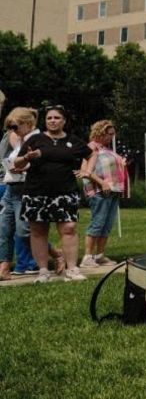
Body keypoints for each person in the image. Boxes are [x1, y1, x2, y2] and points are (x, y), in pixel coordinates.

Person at [12, 104, 92, 283]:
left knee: (69, 228)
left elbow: (90, 154)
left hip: (66, 192)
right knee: (38, 231)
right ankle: (43, 271)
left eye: (56, 118)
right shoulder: (35, 140)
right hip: (36, 192)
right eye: (49, 118)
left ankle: (72, 269)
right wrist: (26, 157)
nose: (53, 121)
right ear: (45, 121)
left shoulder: (73, 140)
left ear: (64, 121)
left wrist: (87, 170)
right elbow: (17, 163)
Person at [1, 108, 54, 279]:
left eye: (15, 127)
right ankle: (4, 268)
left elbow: (45, 164)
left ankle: (57, 254)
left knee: (25, 231)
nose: (13, 131)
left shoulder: (38, 139)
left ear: (28, 124)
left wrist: (24, 167)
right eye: (10, 128)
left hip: (26, 188)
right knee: (4, 230)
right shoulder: (20, 140)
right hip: (10, 189)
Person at [79, 120, 129, 268]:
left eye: (113, 134)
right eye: (109, 134)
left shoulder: (106, 149)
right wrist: (102, 182)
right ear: (100, 133)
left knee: (107, 225)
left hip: (113, 191)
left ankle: (100, 255)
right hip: (100, 191)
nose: (112, 137)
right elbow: (85, 170)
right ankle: (87, 257)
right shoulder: (91, 147)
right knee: (98, 223)